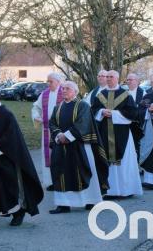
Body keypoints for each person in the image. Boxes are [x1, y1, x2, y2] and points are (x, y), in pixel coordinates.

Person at [0, 89, 43, 230]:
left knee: (7, 190)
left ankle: (18, 212)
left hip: (4, 159)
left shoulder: (7, 115)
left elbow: (12, 137)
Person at [48, 81, 109, 214]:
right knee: (60, 172)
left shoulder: (83, 106)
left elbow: (83, 123)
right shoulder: (57, 107)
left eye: (67, 89)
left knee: (83, 171)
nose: (64, 91)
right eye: (63, 88)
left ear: (75, 91)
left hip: (80, 146)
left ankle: (91, 201)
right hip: (61, 146)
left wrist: (68, 136)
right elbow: (52, 123)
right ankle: (63, 204)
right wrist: (59, 134)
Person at [90, 70, 143, 198]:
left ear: (117, 78)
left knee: (124, 162)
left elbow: (132, 113)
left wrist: (114, 114)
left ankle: (125, 190)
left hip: (121, 134)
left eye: (111, 77)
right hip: (104, 132)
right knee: (104, 159)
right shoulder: (100, 94)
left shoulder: (126, 95)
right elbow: (93, 110)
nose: (108, 79)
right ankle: (108, 190)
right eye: (107, 76)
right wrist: (102, 111)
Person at [31, 72, 66, 189]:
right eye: (48, 81)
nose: (48, 84)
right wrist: (36, 116)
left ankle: (62, 180)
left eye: (50, 81)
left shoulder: (65, 92)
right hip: (47, 130)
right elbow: (36, 107)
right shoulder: (44, 94)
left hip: (61, 131)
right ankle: (51, 182)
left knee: (61, 155)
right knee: (49, 155)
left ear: (58, 82)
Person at [125, 73, 146, 154]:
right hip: (125, 122)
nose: (128, 81)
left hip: (137, 123)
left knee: (136, 144)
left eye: (131, 79)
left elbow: (144, 109)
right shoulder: (124, 92)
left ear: (137, 81)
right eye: (127, 80)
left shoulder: (143, 93)